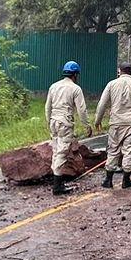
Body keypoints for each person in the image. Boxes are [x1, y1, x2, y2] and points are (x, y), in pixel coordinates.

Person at [45, 61, 92, 195]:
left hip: (54, 121)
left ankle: (57, 182)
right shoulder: (75, 89)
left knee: (56, 150)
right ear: (76, 74)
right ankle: (57, 186)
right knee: (62, 153)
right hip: (65, 123)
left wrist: (49, 122)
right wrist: (86, 126)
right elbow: (81, 110)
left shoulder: (54, 86)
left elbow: (47, 107)